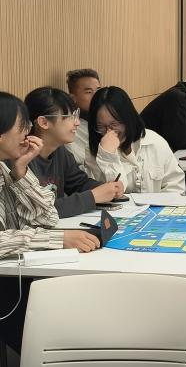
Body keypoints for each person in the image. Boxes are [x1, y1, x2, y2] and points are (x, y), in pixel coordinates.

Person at [0, 92, 99, 354]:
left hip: (14, 277)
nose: (27, 132)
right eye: (22, 126)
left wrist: (21, 171)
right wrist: (58, 239)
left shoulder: (6, 168)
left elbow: (47, 217)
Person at [24, 87, 124, 218]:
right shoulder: (21, 158)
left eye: (76, 115)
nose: (77, 123)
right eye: (70, 117)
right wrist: (93, 197)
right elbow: (40, 210)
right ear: (44, 122)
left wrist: (108, 188)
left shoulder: (60, 152)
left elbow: (79, 183)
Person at [84, 87, 186, 194]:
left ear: (128, 118)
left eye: (114, 124)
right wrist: (108, 156)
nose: (109, 132)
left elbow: (176, 187)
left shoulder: (154, 142)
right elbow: (116, 192)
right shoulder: (94, 152)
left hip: (158, 205)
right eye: (100, 126)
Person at [65, 68, 101, 169]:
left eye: (98, 91)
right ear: (73, 98)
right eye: (89, 92)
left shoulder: (107, 120)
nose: (97, 96)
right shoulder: (71, 129)